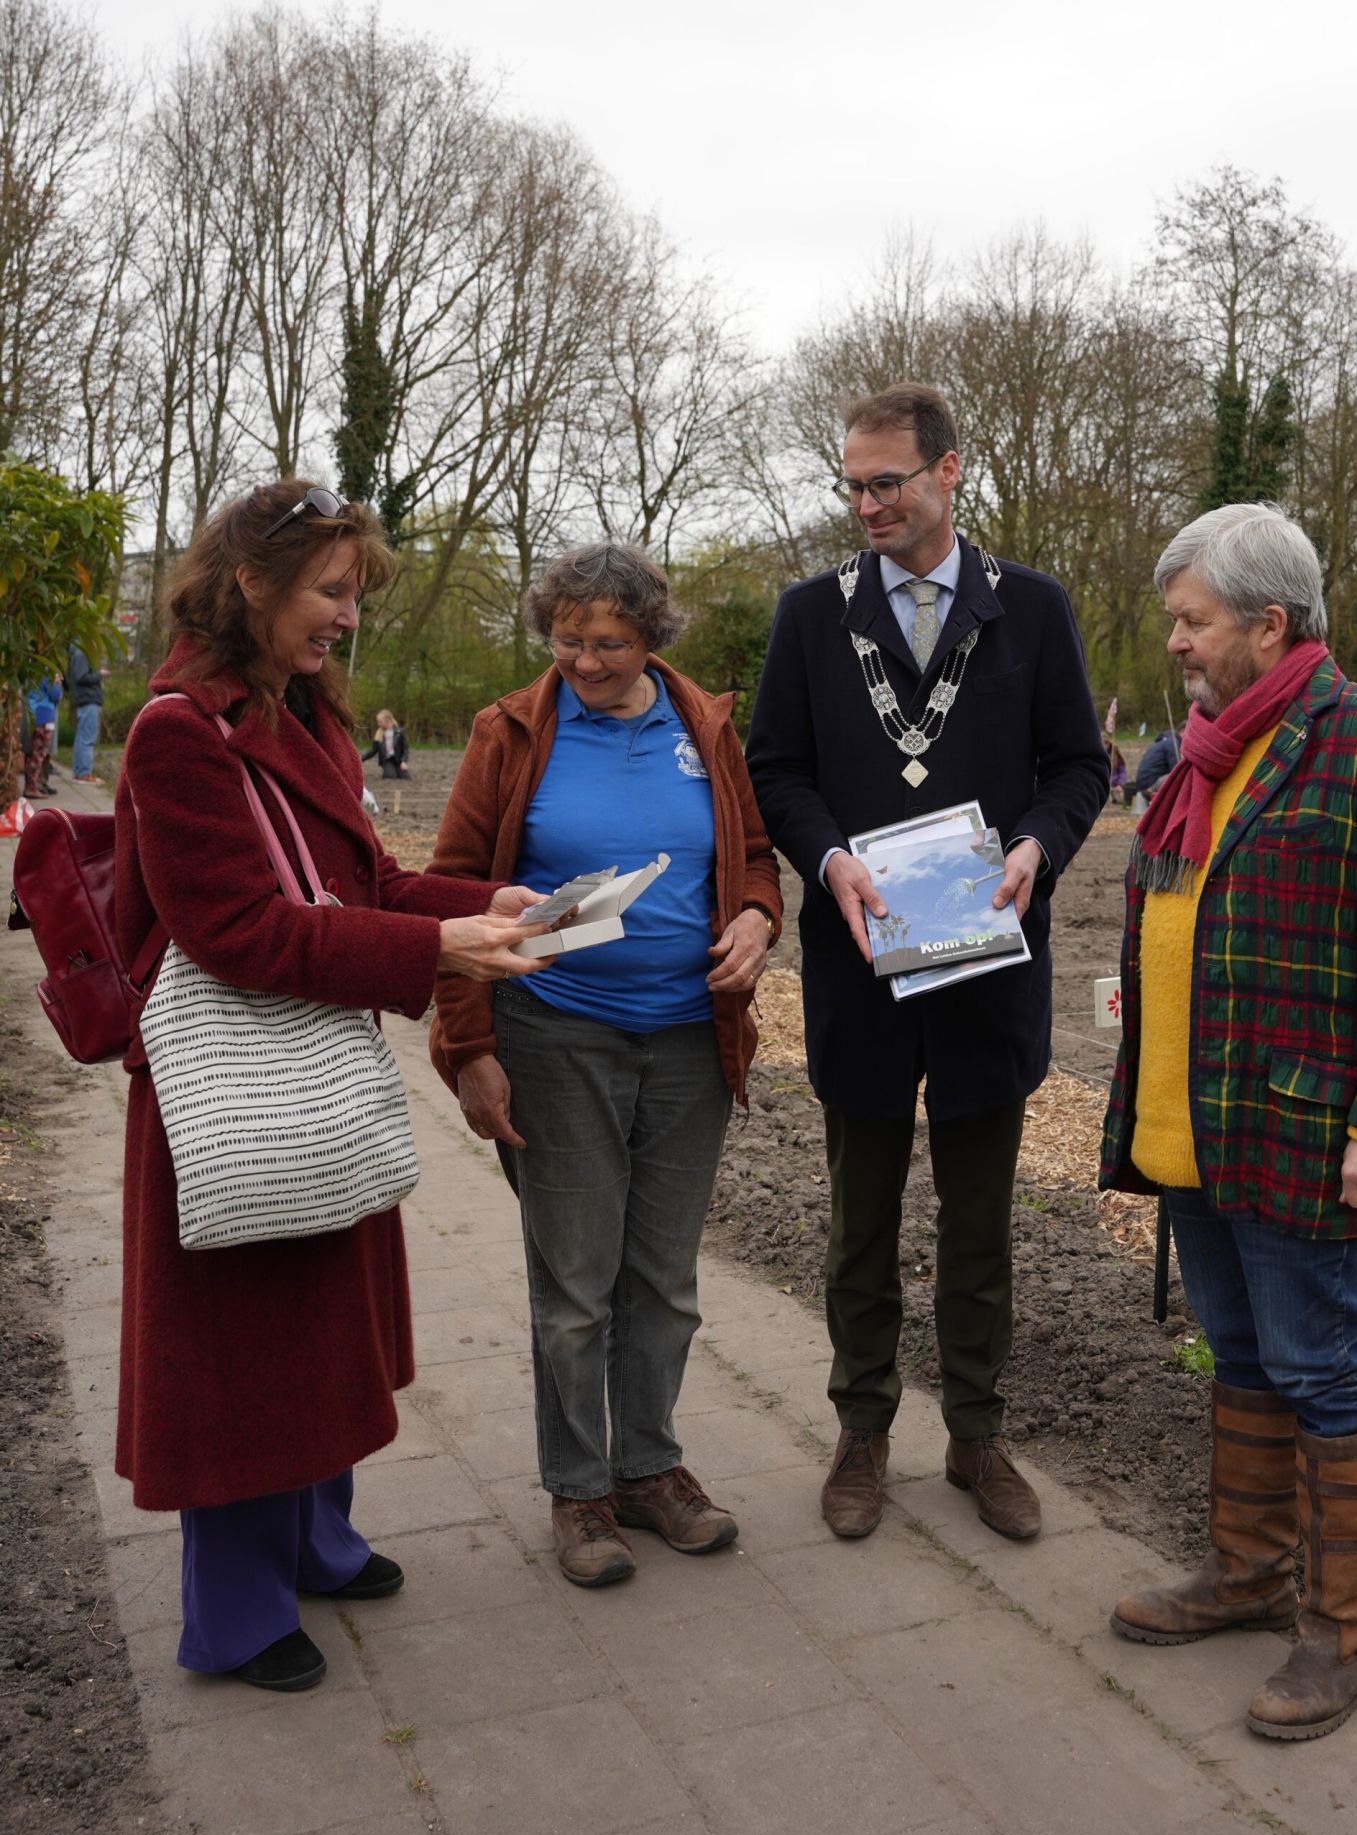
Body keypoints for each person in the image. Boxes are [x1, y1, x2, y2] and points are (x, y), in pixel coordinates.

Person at [113, 480, 555, 1694]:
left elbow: (355, 882)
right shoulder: (175, 732)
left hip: (305, 1068)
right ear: (250, 583)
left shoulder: (301, 712)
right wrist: (438, 952)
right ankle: (237, 1615)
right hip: (233, 1088)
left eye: (355, 594)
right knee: (245, 1349)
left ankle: (317, 1539)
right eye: (331, 591)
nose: (348, 618)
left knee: (318, 1327)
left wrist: (482, 906)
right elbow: (239, 934)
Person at [1100, 503, 1357, 1741]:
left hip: (1307, 1129)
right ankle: (1246, 1573)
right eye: (1174, 621)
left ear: (1270, 625)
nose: (1176, 643)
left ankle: (1341, 1629)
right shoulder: (1203, 751)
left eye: (1193, 621)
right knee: (1242, 1353)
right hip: (1194, 1120)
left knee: (1321, 1362)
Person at [746, 384, 1108, 1543]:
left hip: (987, 962)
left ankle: (977, 1435)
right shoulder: (812, 617)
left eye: (885, 482)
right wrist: (828, 858)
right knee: (857, 1218)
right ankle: (860, 1431)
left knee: (979, 1222)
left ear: (951, 472)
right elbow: (777, 769)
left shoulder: (1032, 612)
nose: (864, 504)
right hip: (858, 966)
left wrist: (1037, 844)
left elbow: (1077, 765)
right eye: (850, 483)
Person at [427, 541, 783, 1589]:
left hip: (687, 1037)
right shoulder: (511, 731)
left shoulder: (704, 725)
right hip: (556, 1033)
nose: (586, 660)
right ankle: (579, 1489)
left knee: (664, 1281)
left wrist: (761, 916)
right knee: (576, 1286)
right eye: (569, 639)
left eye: (610, 643)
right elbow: (450, 890)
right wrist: (470, 1049)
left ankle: (650, 1468)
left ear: (651, 635)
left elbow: (753, 855)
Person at [66, 641, 109, 782]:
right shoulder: (82, 654)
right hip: (89, 701)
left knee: (81, 738)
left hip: (84, 701)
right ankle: (84, 773)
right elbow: (81, 677)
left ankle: (79, 772)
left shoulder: (76, 654)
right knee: (87, 739)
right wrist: (99, 675)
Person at [22, 674, 61, 796]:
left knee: (32, 753)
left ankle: (32, 785)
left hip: (33, 710)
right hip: (45, 713)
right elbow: (55, 695)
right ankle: (32, 787)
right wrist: (57, 683)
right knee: (39, 753)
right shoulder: (46, 670)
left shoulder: (31, 667)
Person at [359, 709, 411, 778]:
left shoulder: (400, 732)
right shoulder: (379, 734)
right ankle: (388, 770)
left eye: (380, 722)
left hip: (398, 760)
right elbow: (373, 750)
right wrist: (360, 759)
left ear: (387, 720)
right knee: (390, 776)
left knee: (406, 778)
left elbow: (405, 749)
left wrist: (404, 761)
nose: (378, 724)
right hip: (387, 760)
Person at [1134, 722, 1182, 796]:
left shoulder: (1161, 742)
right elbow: (1177, 769)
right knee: (1183, 777)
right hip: (1151, 785)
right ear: (1183, 731)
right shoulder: (1173, 743)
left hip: (1142, 784)